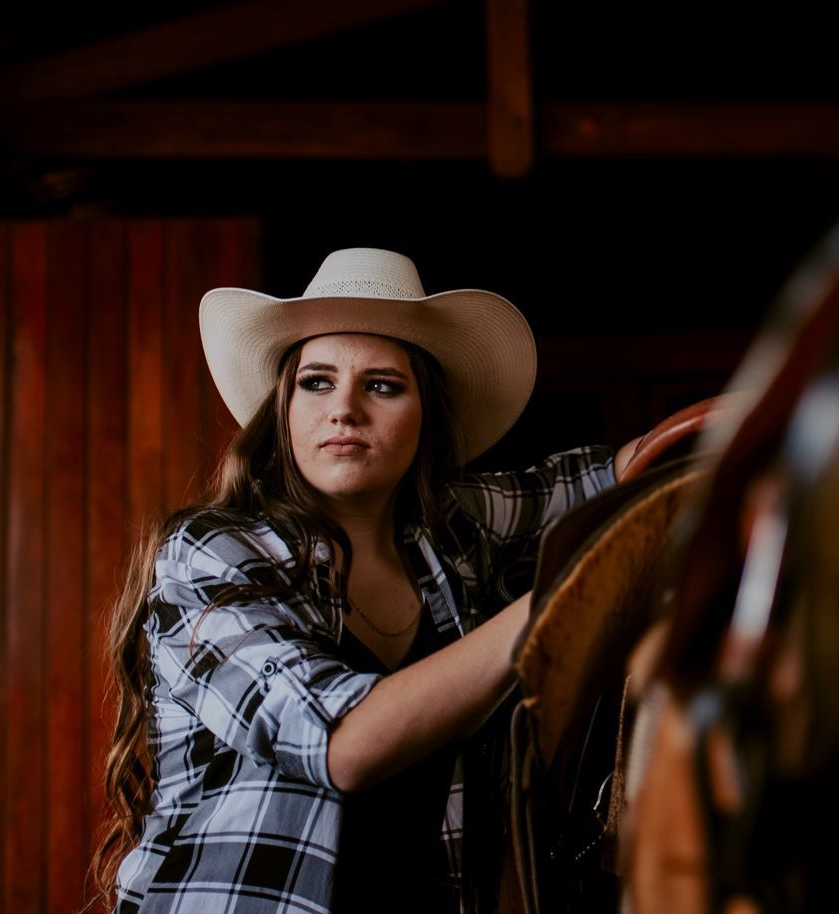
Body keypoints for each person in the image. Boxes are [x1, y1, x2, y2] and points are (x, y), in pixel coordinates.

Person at [93, 248, 636, 914]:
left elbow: (606, 478)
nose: (344, 407)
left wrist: (769, 412)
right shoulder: (212, 553)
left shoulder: (452, 536)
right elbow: (339, 744)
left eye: (382, 384)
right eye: (317, 382)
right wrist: (565, 599)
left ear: (425, 415)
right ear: (284, 406)